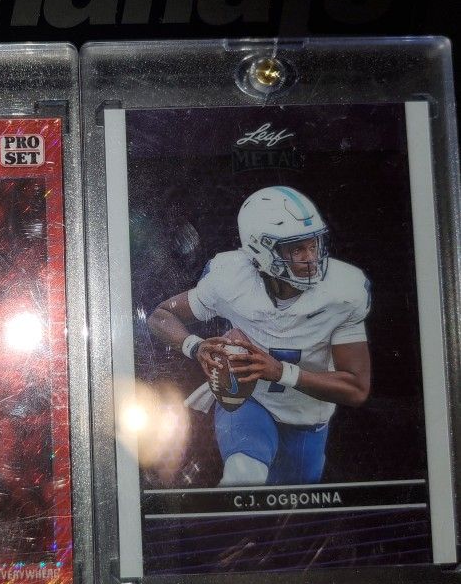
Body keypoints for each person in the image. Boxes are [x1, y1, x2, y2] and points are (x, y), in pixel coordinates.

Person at [147, 186, 371, 487]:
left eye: (314, 245)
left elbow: (356, 387)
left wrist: (280, 372)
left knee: (293, 504)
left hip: (307, 421)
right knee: (243, 478)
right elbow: (160, 316)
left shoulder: (343, 292)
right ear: (261, 250)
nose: (311, 258)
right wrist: (196, 346)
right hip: (247, 402)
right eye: (296, 249)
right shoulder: (231, 277)